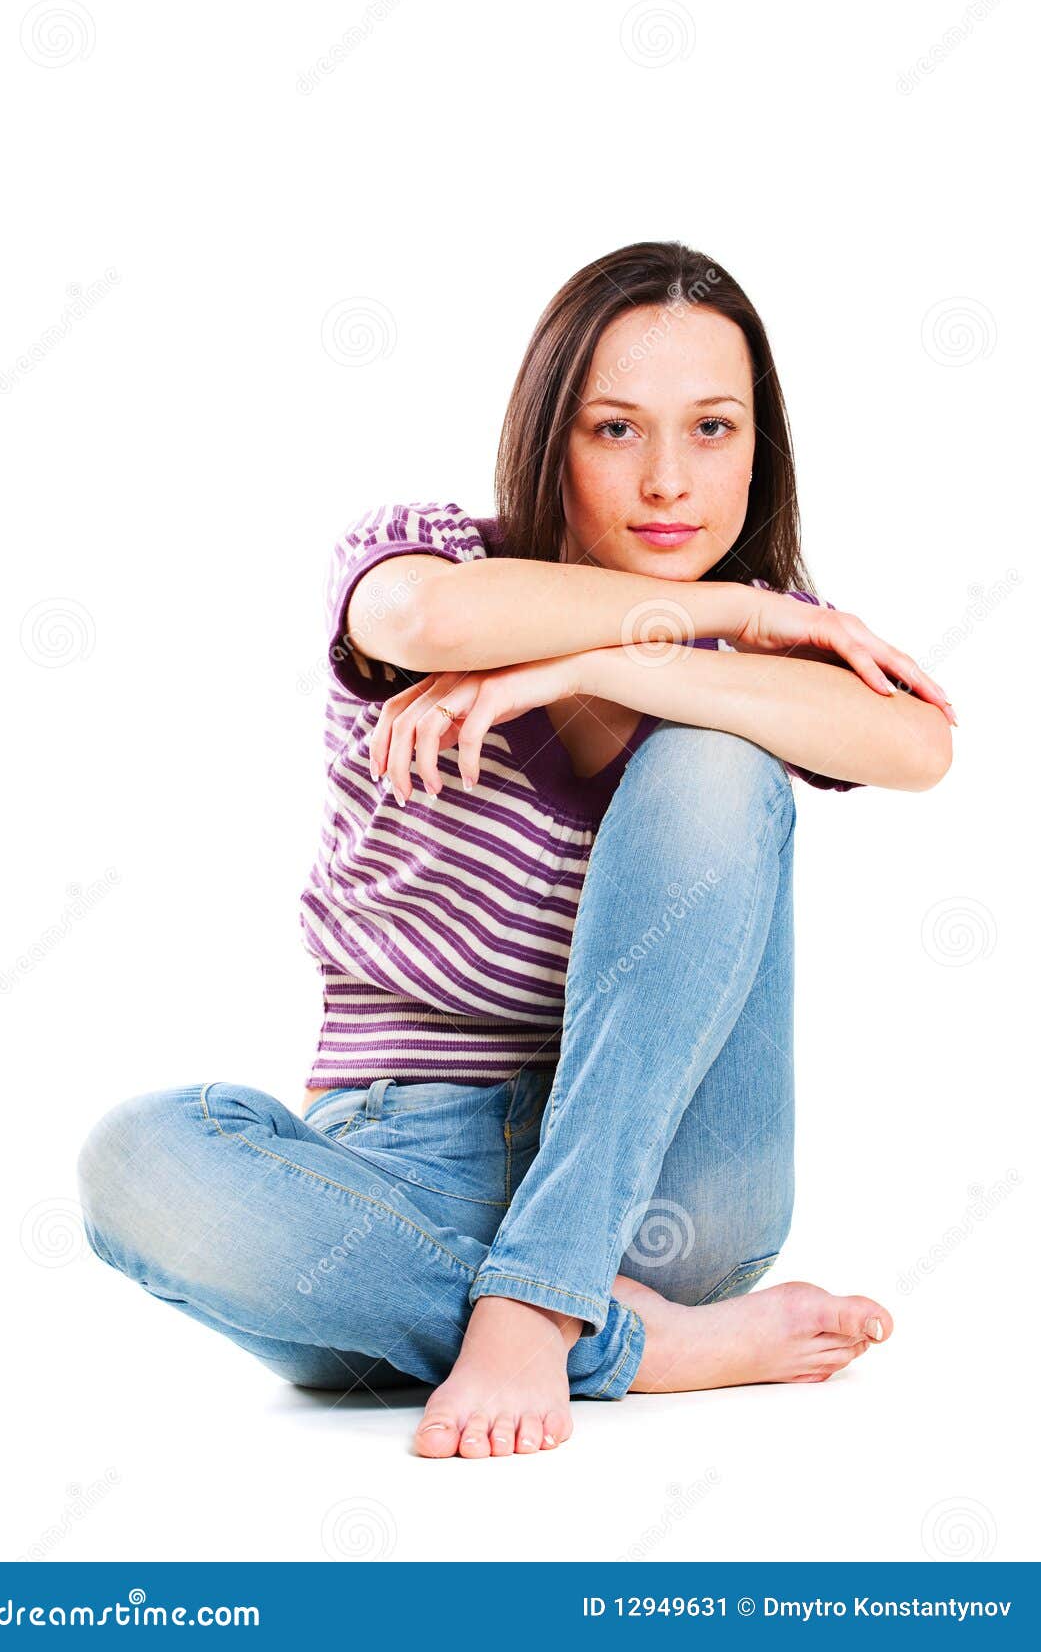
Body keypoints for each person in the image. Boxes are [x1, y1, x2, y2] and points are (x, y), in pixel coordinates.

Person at [77, 241, 954, 1461]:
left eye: (712, 429)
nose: (667, 481)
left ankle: (549, 1293)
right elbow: (419, 618)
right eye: (614, 430)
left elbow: (920, 747)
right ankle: (636, 1343)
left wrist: (604, 664)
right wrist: (740, 607)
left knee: (716, 752)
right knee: (136, 1159)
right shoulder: (436, 554)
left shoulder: (747, 680)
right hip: (396, 1178)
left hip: (664, 1198)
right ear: (553, 434)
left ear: (762, 444)